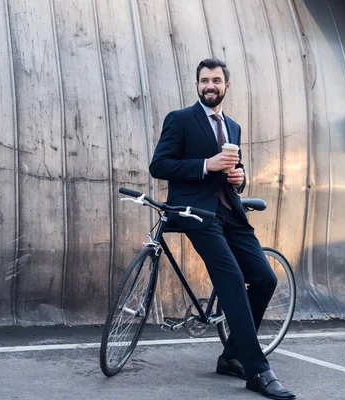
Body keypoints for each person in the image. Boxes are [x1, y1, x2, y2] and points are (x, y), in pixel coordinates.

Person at [149, 58, 295, 400]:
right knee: (230, 279)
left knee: (265, 278)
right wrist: (205, 165)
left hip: (230, 212)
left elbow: (235, 172)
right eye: (204, 80)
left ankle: (230, 357)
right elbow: (159, 165)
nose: (209, 85)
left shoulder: (234, 127)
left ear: (226, 86)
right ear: (197, 84)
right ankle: (258, 370)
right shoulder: (180, 119)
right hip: (195, 211)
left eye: (215, 80)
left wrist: (240, 178)